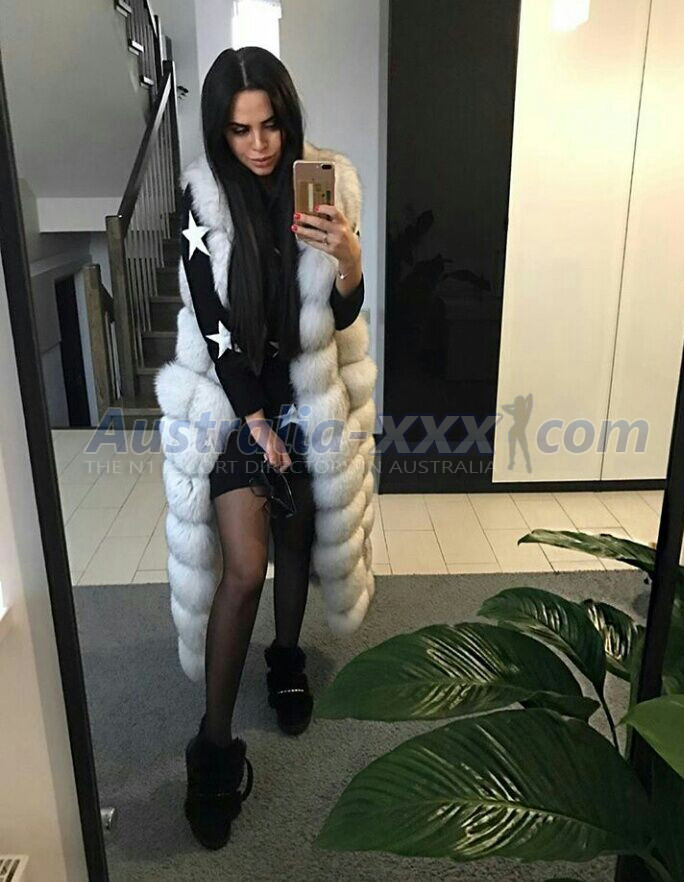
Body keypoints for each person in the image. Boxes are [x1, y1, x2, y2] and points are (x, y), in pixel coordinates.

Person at [170, 46, 373, 850]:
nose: (259, 144)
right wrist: (255, 421)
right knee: (246, 567)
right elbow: (214, 328)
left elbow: (342, 319)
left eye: (270, 124)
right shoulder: (201, 202)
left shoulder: (329, 183)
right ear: (220, 133)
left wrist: (350, 260)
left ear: (287, 118)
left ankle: (285, 658)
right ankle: (213, 747)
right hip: (234, 406)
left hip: (308, 398)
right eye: (240, 129)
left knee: (295, 541)